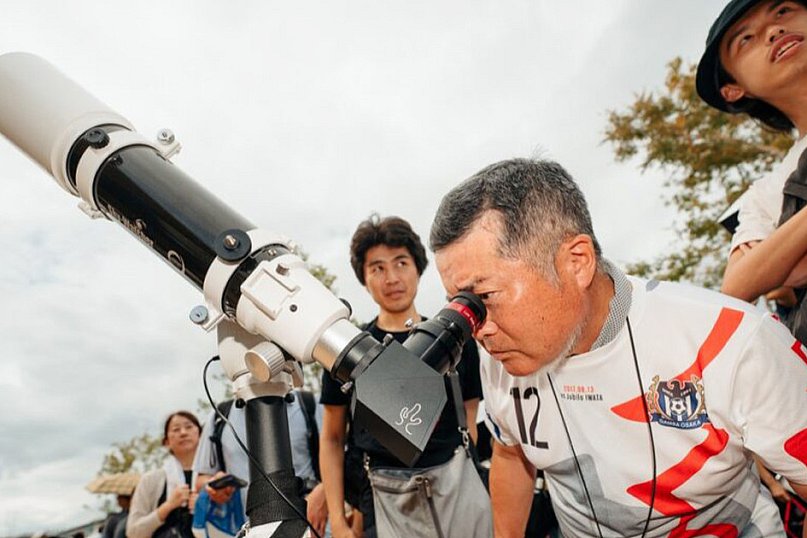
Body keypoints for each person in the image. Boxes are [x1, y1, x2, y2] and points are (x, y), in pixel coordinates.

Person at [429, 158, 807, 537]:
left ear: (577, 262)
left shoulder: (733, 342)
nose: (478, 327)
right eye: (461, 304)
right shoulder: (501, 351)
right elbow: (510, 452)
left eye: (485, 296)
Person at [319, 214, 483, 538]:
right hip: (381, 496)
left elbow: (471, 420)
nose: (392, 278)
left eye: (401, 263)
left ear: (418, 268)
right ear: (364, 279)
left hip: (456, 487)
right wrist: (337, 519)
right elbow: (332, 437)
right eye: (377, 268)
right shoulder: (345, 351)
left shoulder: (454, 339)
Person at [696, 0, 807, 339]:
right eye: (746, 39)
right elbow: (738, 285)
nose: (774, 30)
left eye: (783, 11)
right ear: (734, 89)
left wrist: (784, 256)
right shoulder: (766, 192)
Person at [192, 389, 328, 536]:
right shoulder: (219, 417)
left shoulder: (310, 404)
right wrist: (215, 485)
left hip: (313, 529)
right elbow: (201, 480)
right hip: (249, 530)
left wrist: (323, 491)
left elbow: (339, 459)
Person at [127, 411, 202, 538]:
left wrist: (205, 507)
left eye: (189, 427)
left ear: (201, 435)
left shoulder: (214, 475)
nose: (183, 433)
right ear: (166, 441)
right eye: (176, 429)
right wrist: (168, 506)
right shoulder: (150, 480)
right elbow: (133, 532)